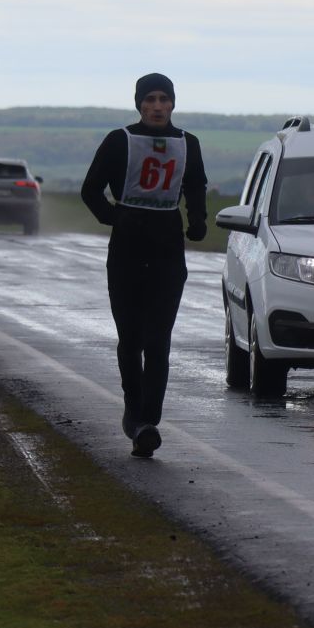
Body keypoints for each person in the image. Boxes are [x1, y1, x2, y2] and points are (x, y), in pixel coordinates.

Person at [80, 73, 208, 458]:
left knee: (158, 340)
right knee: (131, 339)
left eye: (163, 99)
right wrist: (113, 217)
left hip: (168, 249)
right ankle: (133, 411)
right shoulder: (119, 140)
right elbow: (90, 190)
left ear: (172, 104)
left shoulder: (188, 144)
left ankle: (148, 422)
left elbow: (196, 185)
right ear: (139, 104)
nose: (156, 106)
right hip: (127, 250)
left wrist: (198, 221)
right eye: (149, 99)